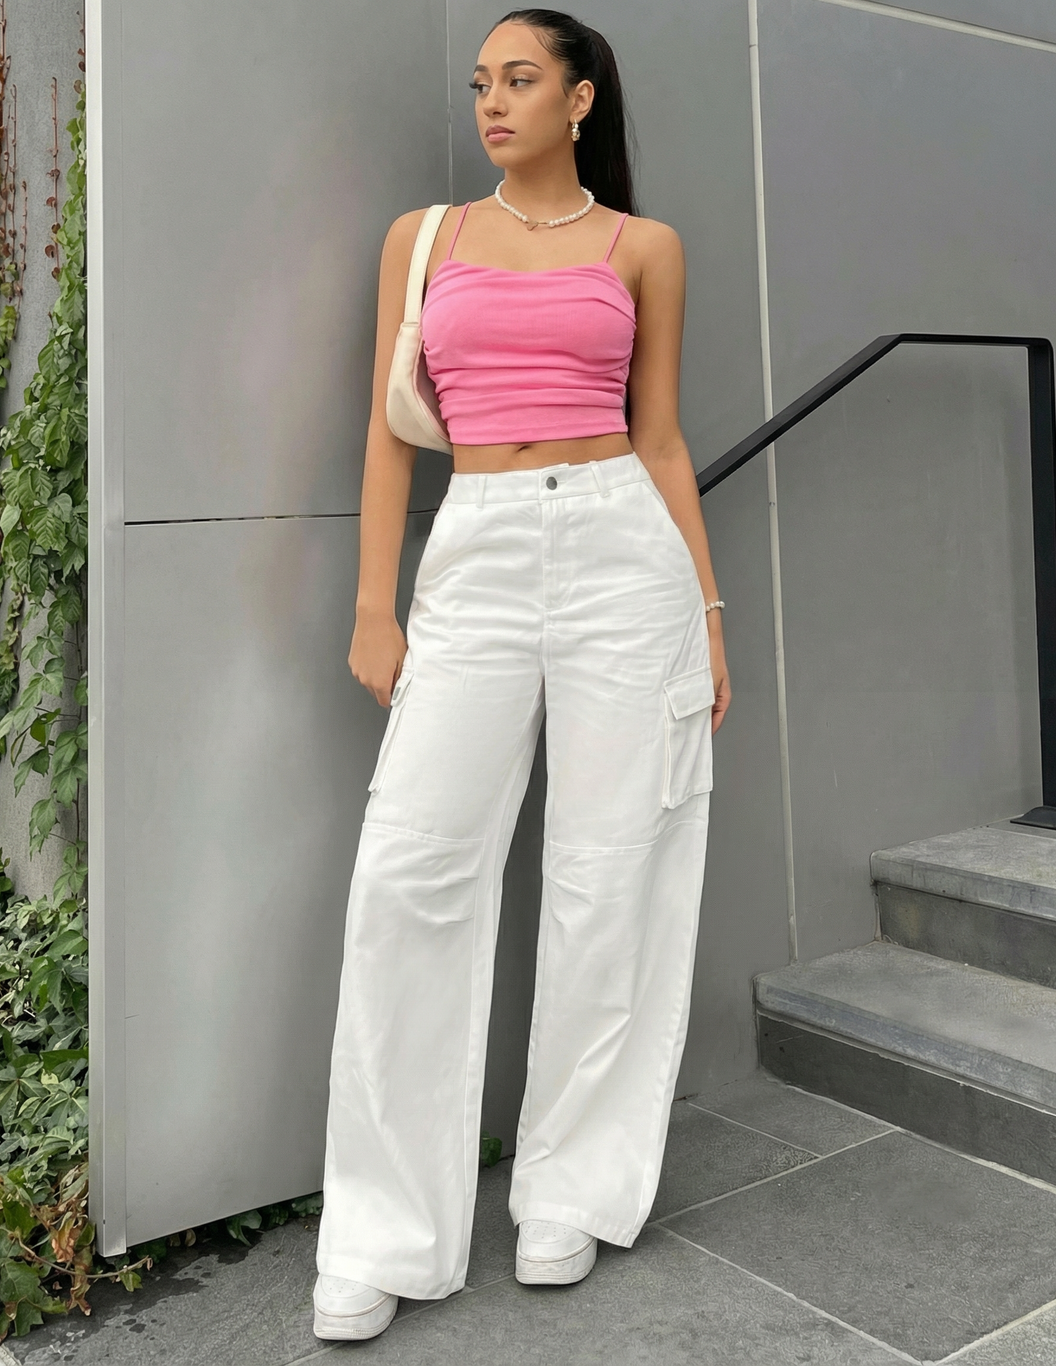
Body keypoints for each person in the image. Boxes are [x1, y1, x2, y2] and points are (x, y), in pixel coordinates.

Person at [311, 7, 731, 1341]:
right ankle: (382, 1231)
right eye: (481, 82)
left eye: (521, 78)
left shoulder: (644, 247)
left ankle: (572, 1187)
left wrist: (709, 615)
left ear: (581, 97)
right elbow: (388, 436)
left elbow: (661, 439)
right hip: (478, 552)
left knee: (613, 870)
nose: (492, 101)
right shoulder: (425, 238)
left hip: (624, 554)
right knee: (410, 873)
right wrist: (375, 606)